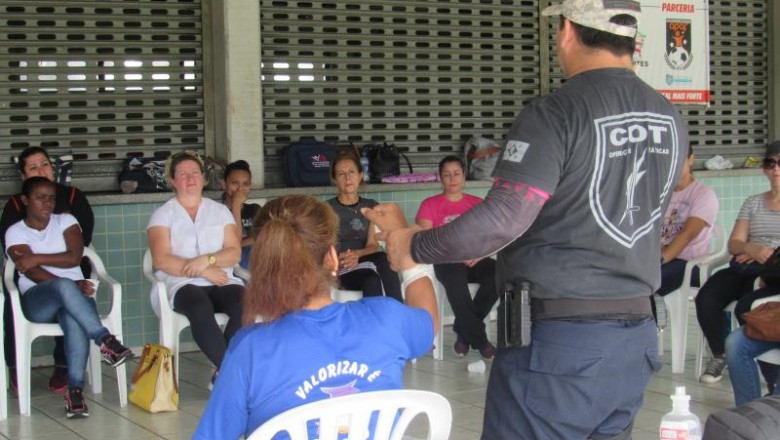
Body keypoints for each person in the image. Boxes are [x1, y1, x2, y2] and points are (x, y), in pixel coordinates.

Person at [365, 0, 689, 437]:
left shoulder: (556, 112)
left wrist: (413, 244)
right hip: (635, 342)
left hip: (561, 348)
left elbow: (502, 218)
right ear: (632, 40)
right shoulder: (668, 115)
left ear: (567, 31)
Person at [193, 195, 437, 439]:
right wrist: (408, 251)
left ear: (263, 268)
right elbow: (430, 323)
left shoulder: (250, 350)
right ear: (332, 259)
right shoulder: (386, 319)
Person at [4, 176, 132, 418]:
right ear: (24, 201)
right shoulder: (15, 232)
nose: (47, 203)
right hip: (37, 300)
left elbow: (74, 257)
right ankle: (105, 340)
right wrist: (69, 284)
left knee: (73, 318)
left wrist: (38, 256)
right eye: (40, 197)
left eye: (51, 198)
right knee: (65, 287)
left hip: (74, 298)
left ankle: (74, 392)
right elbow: (29, 270)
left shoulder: (66, 220)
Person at [0, 146, 95, 394]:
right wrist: (61, 274)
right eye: (33, 167)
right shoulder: (14, 206)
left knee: (71, 300)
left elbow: (79, 248)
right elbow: (23, 262)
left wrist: (42, 259)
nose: (41, 170)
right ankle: (15, 366)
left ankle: (65, 367)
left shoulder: (73, 197)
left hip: (71, 270)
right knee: (12, 302)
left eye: (44, 164)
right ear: (22, 176)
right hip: (33, 281)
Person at [147, 152, 244, 385]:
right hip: (181, 283)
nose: (190, 179)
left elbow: (234, 252)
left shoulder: (220, 212)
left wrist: (208, 260)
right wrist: (201, 270)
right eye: (183, 174)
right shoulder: (163, 214)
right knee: (200, 306)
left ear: (203, 178)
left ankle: (222, 374)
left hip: (221, 278)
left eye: (195, 173)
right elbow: (161, 260)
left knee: (247, 304)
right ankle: (232, 377)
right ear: (172, 181)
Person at [696, 140, 780, 385]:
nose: (776, 169)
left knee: (748, 309)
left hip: (771, 271)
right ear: (764, 168)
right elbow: (734, 244)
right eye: (771, 163)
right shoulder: (753, 202)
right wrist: (751, 248)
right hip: (745, 263)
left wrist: (768, 253)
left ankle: (770, 375)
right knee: (707, 297)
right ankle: (721, 353)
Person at [416, 156, 498, 359]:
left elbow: (489, 238)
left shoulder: (478, 204)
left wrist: (479, 255)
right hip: (446, 261)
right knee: (456, 281)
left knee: (499, 274)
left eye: (456, 174)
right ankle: (481, 341)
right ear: (440, 178)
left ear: (464, 176)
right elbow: (424, 240)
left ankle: (463, 331)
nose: (452, 179)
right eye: (447, 174)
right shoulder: (430, 205)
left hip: (474, 258)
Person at [327, 150, 402, 301]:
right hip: (340, 269)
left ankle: (377, 323)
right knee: (382, 259)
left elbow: (372, 245)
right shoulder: (326, 209)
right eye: (341, 174)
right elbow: (328, 248)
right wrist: (347, 259)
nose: (348, 178)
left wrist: (357, 255)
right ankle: (400, 313)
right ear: (334, 180)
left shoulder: (371, 206)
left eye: (352, 172)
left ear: (360, 176)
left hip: (365, 262)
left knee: (372, 281)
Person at [658, 145, 719, 295]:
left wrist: (659, 259)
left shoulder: (703, 194)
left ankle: (650, 318)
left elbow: (687, 234)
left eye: (678, 160)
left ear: (691, 159)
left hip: (690, 264)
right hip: (658, 258)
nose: (673, 165)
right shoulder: (660, 193)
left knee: (646, 281)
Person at [221, 160, 261, 269]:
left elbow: (265, 237)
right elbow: (231, 245)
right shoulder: (217, 212)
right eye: (235, 183)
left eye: (245, 184)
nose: (240, 189)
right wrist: (236, 206)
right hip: (231, 265)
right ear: (224, 184)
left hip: (256, 261)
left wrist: (239, 244)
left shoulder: (255, 209)